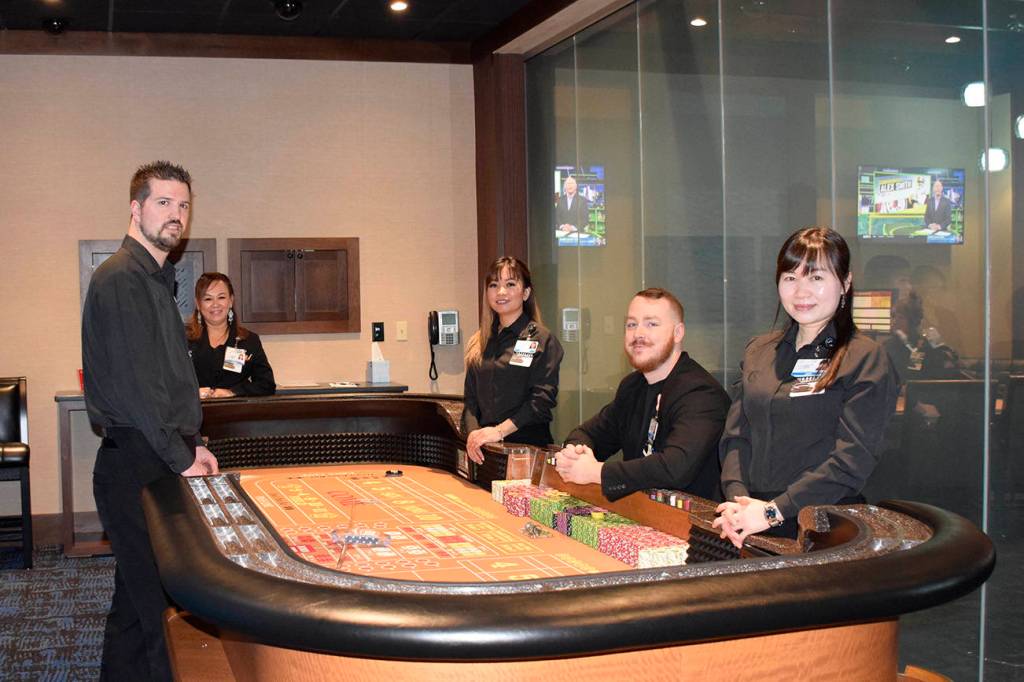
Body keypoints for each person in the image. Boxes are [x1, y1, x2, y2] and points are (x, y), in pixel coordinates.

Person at [82, 161, 219, 681]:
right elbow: (139, 389)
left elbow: (167, 382)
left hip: (154, 455)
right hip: (136, 463)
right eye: (163, 203)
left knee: (135, 601)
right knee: (159, 607)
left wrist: (194, 441)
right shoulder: (120, 278)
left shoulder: (156, 280)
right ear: (136, 209)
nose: (176, 215)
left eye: (183, 205)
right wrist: (180, 454)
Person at [714, 227, 899, 547]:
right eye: (790, 277)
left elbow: (851, 460)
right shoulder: (758, 350)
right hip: (748, 521)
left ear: (845, 282)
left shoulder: (864, 357)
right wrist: (738, 502)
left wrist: (774, 511)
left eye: (816, 278)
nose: (801, 291)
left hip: (823, 526)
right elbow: (735, 437)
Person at [554, 288, 730, 501]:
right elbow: (588, 434)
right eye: (631, 324)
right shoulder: (632, 386)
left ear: (678, 333)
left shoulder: (701, 393)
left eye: (651, 324)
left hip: (692, 527)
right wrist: (576, 453)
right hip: (642, 517)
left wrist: (595, 472)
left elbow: (674, 468)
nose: (638, 334)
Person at [462, 257, 564, 463]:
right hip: (485, 450)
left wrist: (499, 432)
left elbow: (540, 402)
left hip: (526, 451)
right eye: (494, 285)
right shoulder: (478, 342)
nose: (501, 292)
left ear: (525, 293)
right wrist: (474, 435)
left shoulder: (541, 339)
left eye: (510, 284)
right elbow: (471, 401)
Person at [187, 272, 276, 398]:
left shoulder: (249, 340)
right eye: (208, 299)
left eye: (221, 297)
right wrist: (192, 393)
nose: (215, 304)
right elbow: (168, 381)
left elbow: (266, 384)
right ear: (198, 304)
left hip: (235, 414)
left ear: (231, 301)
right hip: (194, 414)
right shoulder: (182, 339)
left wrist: (233, 392)